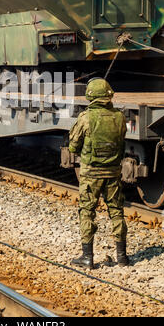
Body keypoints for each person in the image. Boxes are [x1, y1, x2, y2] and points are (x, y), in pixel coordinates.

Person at [69, 78, 129, 269]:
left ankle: (87, 258)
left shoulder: (85, 117)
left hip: (90, 174)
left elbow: (73, 146)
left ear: (90, 96)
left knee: (87, 212)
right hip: (113, 172)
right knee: (117, 211)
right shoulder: (119, 117)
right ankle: (122, 257)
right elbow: (122, 142)